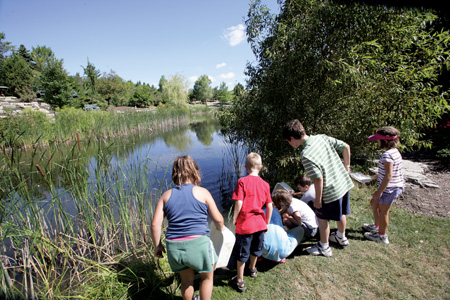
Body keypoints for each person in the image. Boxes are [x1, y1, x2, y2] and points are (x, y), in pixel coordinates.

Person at [151, 155, 224, 300]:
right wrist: (221, 230)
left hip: (175, 247)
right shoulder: (202, 192)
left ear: (174, 174)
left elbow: (155, 224)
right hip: (199, 245)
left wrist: (158, 246)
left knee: (186, 281)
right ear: (194, 172)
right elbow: (219, 219)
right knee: (207, 278)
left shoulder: (166, 195)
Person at [282, 119, 354, 257]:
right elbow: (346, 147)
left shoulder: (306, 155)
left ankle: (324, 247)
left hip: (331, 189)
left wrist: (318, 200)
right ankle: (341, 236)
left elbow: (318, 179)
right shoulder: (321, 137)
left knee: (322, 219)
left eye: (288, 141)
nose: (290, 144)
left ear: (292, 138)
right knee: (341, 213)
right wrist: (347, 167)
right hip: (343, 182)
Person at [230, 152, 273, 292]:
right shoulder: (265, 184)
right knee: (256, 249)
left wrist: (235, 218)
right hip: (260, 223)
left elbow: (239, 203)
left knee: (242, 253)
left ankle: (240, 280)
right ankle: (253, 269)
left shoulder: (242, 181)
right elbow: (269, 206)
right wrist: (267, 222)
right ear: (260, 167)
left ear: (246, 167)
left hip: (246, 225)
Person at [363, 127, 405, 244]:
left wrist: (379, 192)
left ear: (384, 142)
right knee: (374, 203)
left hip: (389, 188)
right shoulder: (395, 152)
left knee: (383, 211)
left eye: (378, 140)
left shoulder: (387, 156)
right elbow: (388, 172)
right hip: (390, 186)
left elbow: (388, 175)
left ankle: (382, 236)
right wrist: (373, 177)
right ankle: (377, 226)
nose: (377, 142)